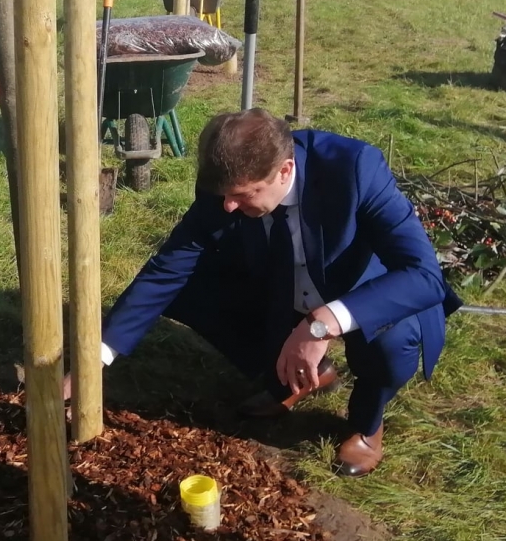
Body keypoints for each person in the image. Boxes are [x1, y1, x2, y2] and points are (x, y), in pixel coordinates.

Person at [86, 108, 462, 477]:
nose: (229, 205)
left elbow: (423, 275)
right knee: (187, 287)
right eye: (225, 196)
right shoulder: (226, 185)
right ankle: (291, 376)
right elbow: (169, 266)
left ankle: (366, 424)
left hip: (359, 291)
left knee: (392, 342)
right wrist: (98, 357)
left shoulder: (355, 168)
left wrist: (323, 323)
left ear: (284, 170)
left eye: (244, 195)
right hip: (281, 282)